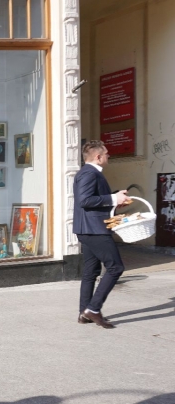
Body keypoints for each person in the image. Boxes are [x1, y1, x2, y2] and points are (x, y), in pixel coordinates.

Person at [74, 140, 129, 329]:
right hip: (94, 229)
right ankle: (93, 309)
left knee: (91, 271)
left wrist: (116, 198)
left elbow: (94, 199)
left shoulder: (89, 172)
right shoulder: (89, 173)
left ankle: (84, 313)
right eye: (106, 153)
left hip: (88, 228)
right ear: (98, 157)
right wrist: (113, 198)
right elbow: (85, 200)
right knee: (116, 267)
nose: (109, 156)